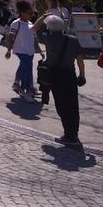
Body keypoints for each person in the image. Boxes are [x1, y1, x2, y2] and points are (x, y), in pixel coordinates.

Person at [33, 14, 86, 146]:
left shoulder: (48, 38)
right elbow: (80, 60)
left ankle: (69, 135)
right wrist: (82, 75)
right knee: (73, 105)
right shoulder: (73, 40)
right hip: (70, 75)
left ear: (49, 28)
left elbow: (34, 28)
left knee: (61, 105)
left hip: (55, 76)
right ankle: (74, 134)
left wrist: (44, 16)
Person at [5, 0, 44, 103]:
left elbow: (34, 39)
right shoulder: (16, 24)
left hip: (29, 51)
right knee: (28, 70)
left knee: (23, 67)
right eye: (29, 13)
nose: (31, 15)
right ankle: (27, 90)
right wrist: (8, 50)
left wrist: (39, 50)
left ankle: (16, 84)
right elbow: (10, 37)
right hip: (20, 51)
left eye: (32, 13)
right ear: (22, 13)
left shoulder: (30, 24)